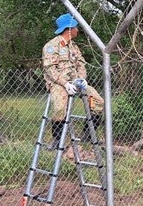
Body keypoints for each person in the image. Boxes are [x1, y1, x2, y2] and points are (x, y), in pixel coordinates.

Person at [42, 13, 105, 149]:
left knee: (98, 102)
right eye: (76, 27)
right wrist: (65, 83)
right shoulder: (51, 46)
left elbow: (81, 64)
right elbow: (50, 68)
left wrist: (81, 79)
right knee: (60, 108)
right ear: (69, 29)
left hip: (76, 83)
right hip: (59, 84)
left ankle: (88, 134)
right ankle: (57, 140)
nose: (78, 30)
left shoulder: (73, 46)